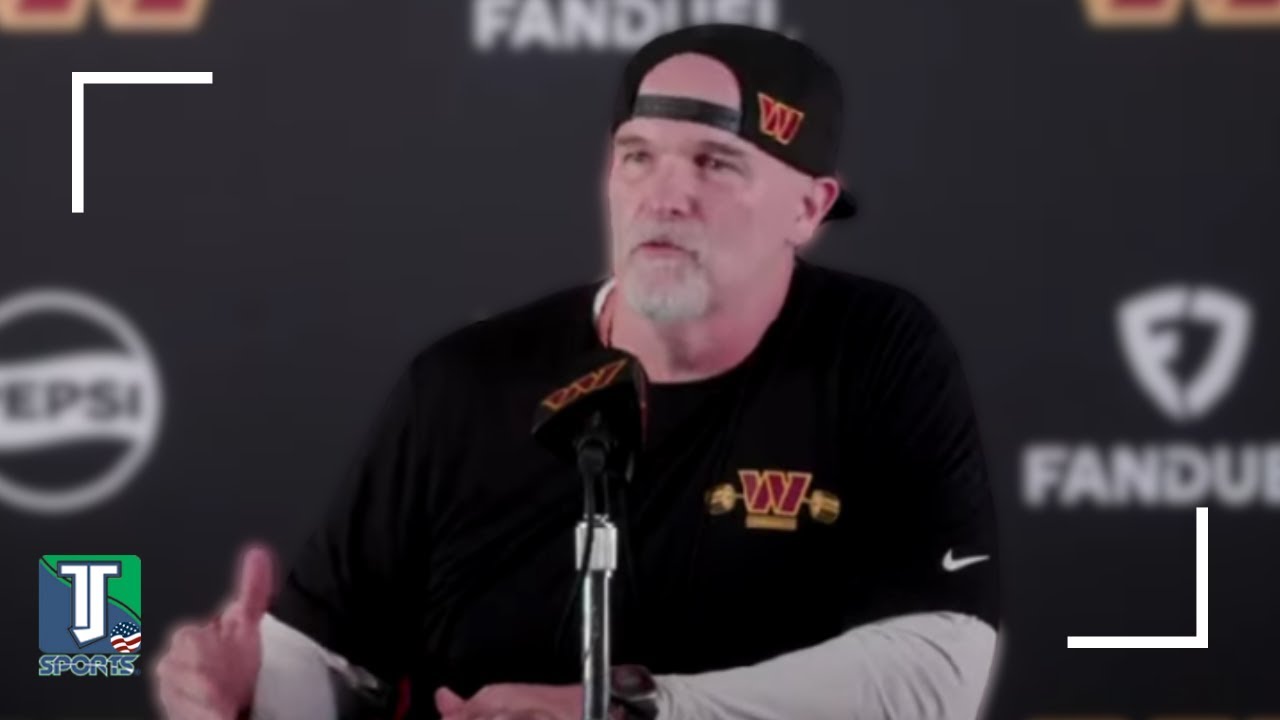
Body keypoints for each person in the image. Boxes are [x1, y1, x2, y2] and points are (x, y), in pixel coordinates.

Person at [152, 23, 1001, 720]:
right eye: (638, 156)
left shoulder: (875, 352)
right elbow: (329, 663)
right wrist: (251, 693)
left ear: (809, 208)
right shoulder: (466, 383)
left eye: (715, 162)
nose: (664, 196)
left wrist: (631, 708)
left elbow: (937, 669)